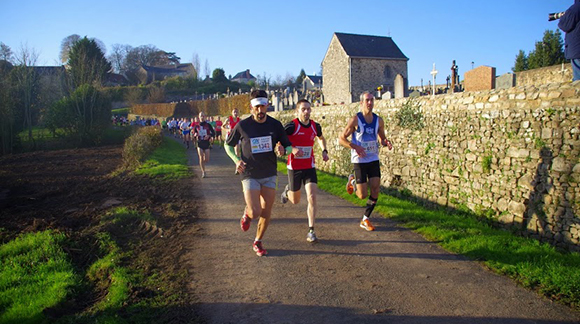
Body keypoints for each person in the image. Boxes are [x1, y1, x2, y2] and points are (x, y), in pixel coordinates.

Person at [225, 90, 292, 256]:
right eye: (257, 107)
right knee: (255, 212)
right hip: (250, 172)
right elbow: (228, 145)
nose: (260, 110)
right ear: (251, 107)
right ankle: (247, 214)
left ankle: (258, 241)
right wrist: (236, 160)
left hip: (269, 172)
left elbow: (288, 147)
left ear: (267, 105)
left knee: (266, 210)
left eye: (263, 106)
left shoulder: (275, 125)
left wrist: (284, 149)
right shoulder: (243, 125)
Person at [338, 91, 393, 231]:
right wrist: (355, 146)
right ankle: (353, 180)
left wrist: (386, 142)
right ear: (361, 103)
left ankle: (365, 219)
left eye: (372, 100)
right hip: (360, 160)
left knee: (375, 189)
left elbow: (381, 138)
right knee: (362, 195)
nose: (370, 103)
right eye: (367, 100)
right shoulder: (355, 120)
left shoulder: (378, 120)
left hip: (373, 158)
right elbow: (341, 139)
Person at [280, 99, 329, 243]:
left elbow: (321, 138)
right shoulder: (292, 126)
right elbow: (280, 140)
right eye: (303, 109)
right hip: (294, 167)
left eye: (308, 109)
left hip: (309, 166)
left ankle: (311, 231)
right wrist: (292, 149)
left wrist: (324, 150)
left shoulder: (315, 126)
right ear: (298, 111)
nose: (306, 112)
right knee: (295, 201)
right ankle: (288, 189)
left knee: (312, 197)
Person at [558, 0, 580, 81]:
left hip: (577, 51)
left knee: (578, 82)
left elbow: (564, 25)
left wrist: (565, 16)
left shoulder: (576, 7)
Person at [195, 112, 215, 178]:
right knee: (200, 157)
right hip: (199, 142)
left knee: (206, 159)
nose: (202, 117)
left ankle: (203, 162)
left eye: (203, 116)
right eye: (201, 116)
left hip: (206, 143)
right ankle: (203, 171)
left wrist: (209, 135)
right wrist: (195, 135)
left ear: (205, 117)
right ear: (199, 117)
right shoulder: (197, 125)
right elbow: (194, 133)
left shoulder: (208, 125)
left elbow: (213, 133)